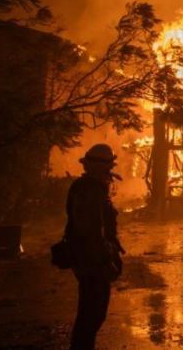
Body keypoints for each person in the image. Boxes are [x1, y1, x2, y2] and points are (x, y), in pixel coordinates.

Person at [66, 143, 124, 350]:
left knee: (94, 314)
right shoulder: (89, 190)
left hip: (90, 258)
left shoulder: (92, 188)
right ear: (99, 167)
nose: (110, 170)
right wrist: (104, 258)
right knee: (92, 313)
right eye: (108, 166)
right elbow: (89, 230)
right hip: (91, 260)